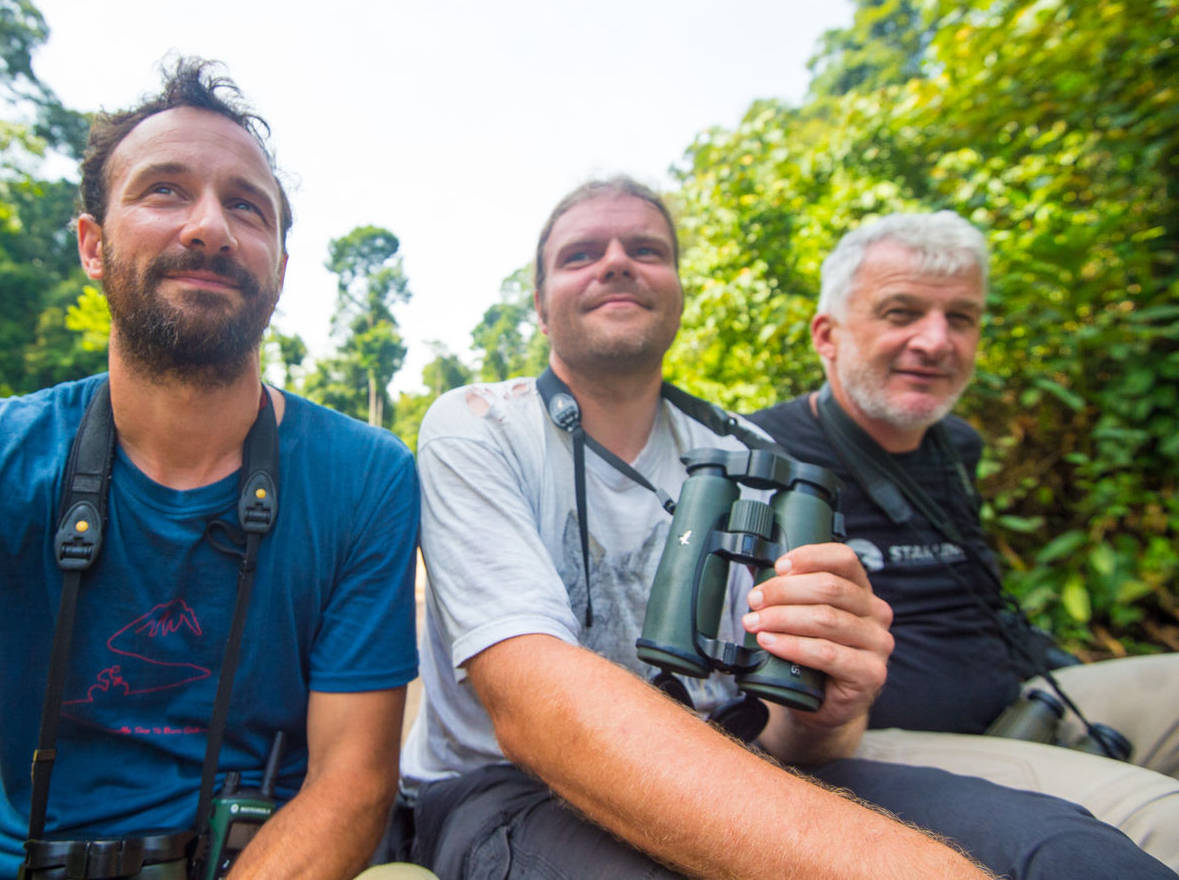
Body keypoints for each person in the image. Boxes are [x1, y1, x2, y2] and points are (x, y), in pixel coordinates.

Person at [393, 176, 1176, 879]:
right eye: (579, 254)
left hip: (733, 756)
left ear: (679, 290)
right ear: (540, 301)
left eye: (647, 249)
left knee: (1064, 848)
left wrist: (829, 709)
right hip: (505, 788)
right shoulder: (478, 424)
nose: (617, 263)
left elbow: (799, 745)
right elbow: (538, 710)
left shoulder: (749, 453)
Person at [0, 59, 423, 880]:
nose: (209, 227)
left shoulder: (365, 476)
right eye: (163, 191)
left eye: (246, 207)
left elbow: (353, 781)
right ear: (92, 245)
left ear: (279, 269)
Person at [747, 210, 1179, 867]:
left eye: (962, 318)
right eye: (901, 312)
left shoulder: (957, 446)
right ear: (827, 335)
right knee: (1161, 823)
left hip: (1021, 698)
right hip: (864, 738)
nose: (936, 341)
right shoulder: (760, 451)